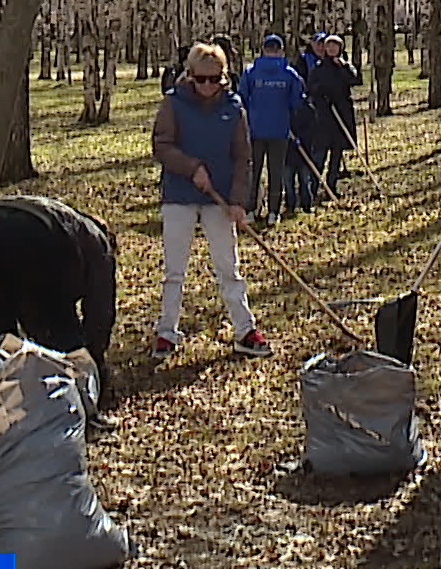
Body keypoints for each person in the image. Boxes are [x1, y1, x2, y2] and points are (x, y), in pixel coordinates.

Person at [150, 43, 271, 359]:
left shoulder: (234, 107)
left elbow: (242, 157)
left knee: (229, 267)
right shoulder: (173, 103)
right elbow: (161, 145)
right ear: (190, 75)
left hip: (220, 200)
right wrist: (192, 168)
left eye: (214, 79)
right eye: (201, 79)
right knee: (174, 270)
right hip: (179, 195)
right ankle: (166, 332)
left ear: (224, 77)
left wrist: (238, 201)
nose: (207, 85)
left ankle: (244, 330)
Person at [0, 194, 118, 418]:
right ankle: (82, 401)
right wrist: (94, 359)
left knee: (1, 317)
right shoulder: (98, 242)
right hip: (39, 235)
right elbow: (100, 313)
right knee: (62, 330)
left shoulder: (68, 219)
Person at [241, 34, 306, 227]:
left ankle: (250, 209)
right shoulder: (289, 74)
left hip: (254, 129)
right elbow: (297, 101)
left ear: (263, 50)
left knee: (253, 171)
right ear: (281, 51)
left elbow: (242, 96)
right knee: (275, 171)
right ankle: (273, 212)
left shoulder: (251, 72)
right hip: (279, 129)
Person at [307, 34, 361, 200]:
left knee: (336, 154)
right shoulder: (319, 67)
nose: (331, 49)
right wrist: (321, 95)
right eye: (329, 46)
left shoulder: (345, 66)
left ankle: (332, 185)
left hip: (341, 115)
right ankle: (312, 188)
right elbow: (311, 88)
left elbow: (354, 79)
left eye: (335, 46)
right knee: (320, 154)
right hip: (324, 117)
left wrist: (344, 67)